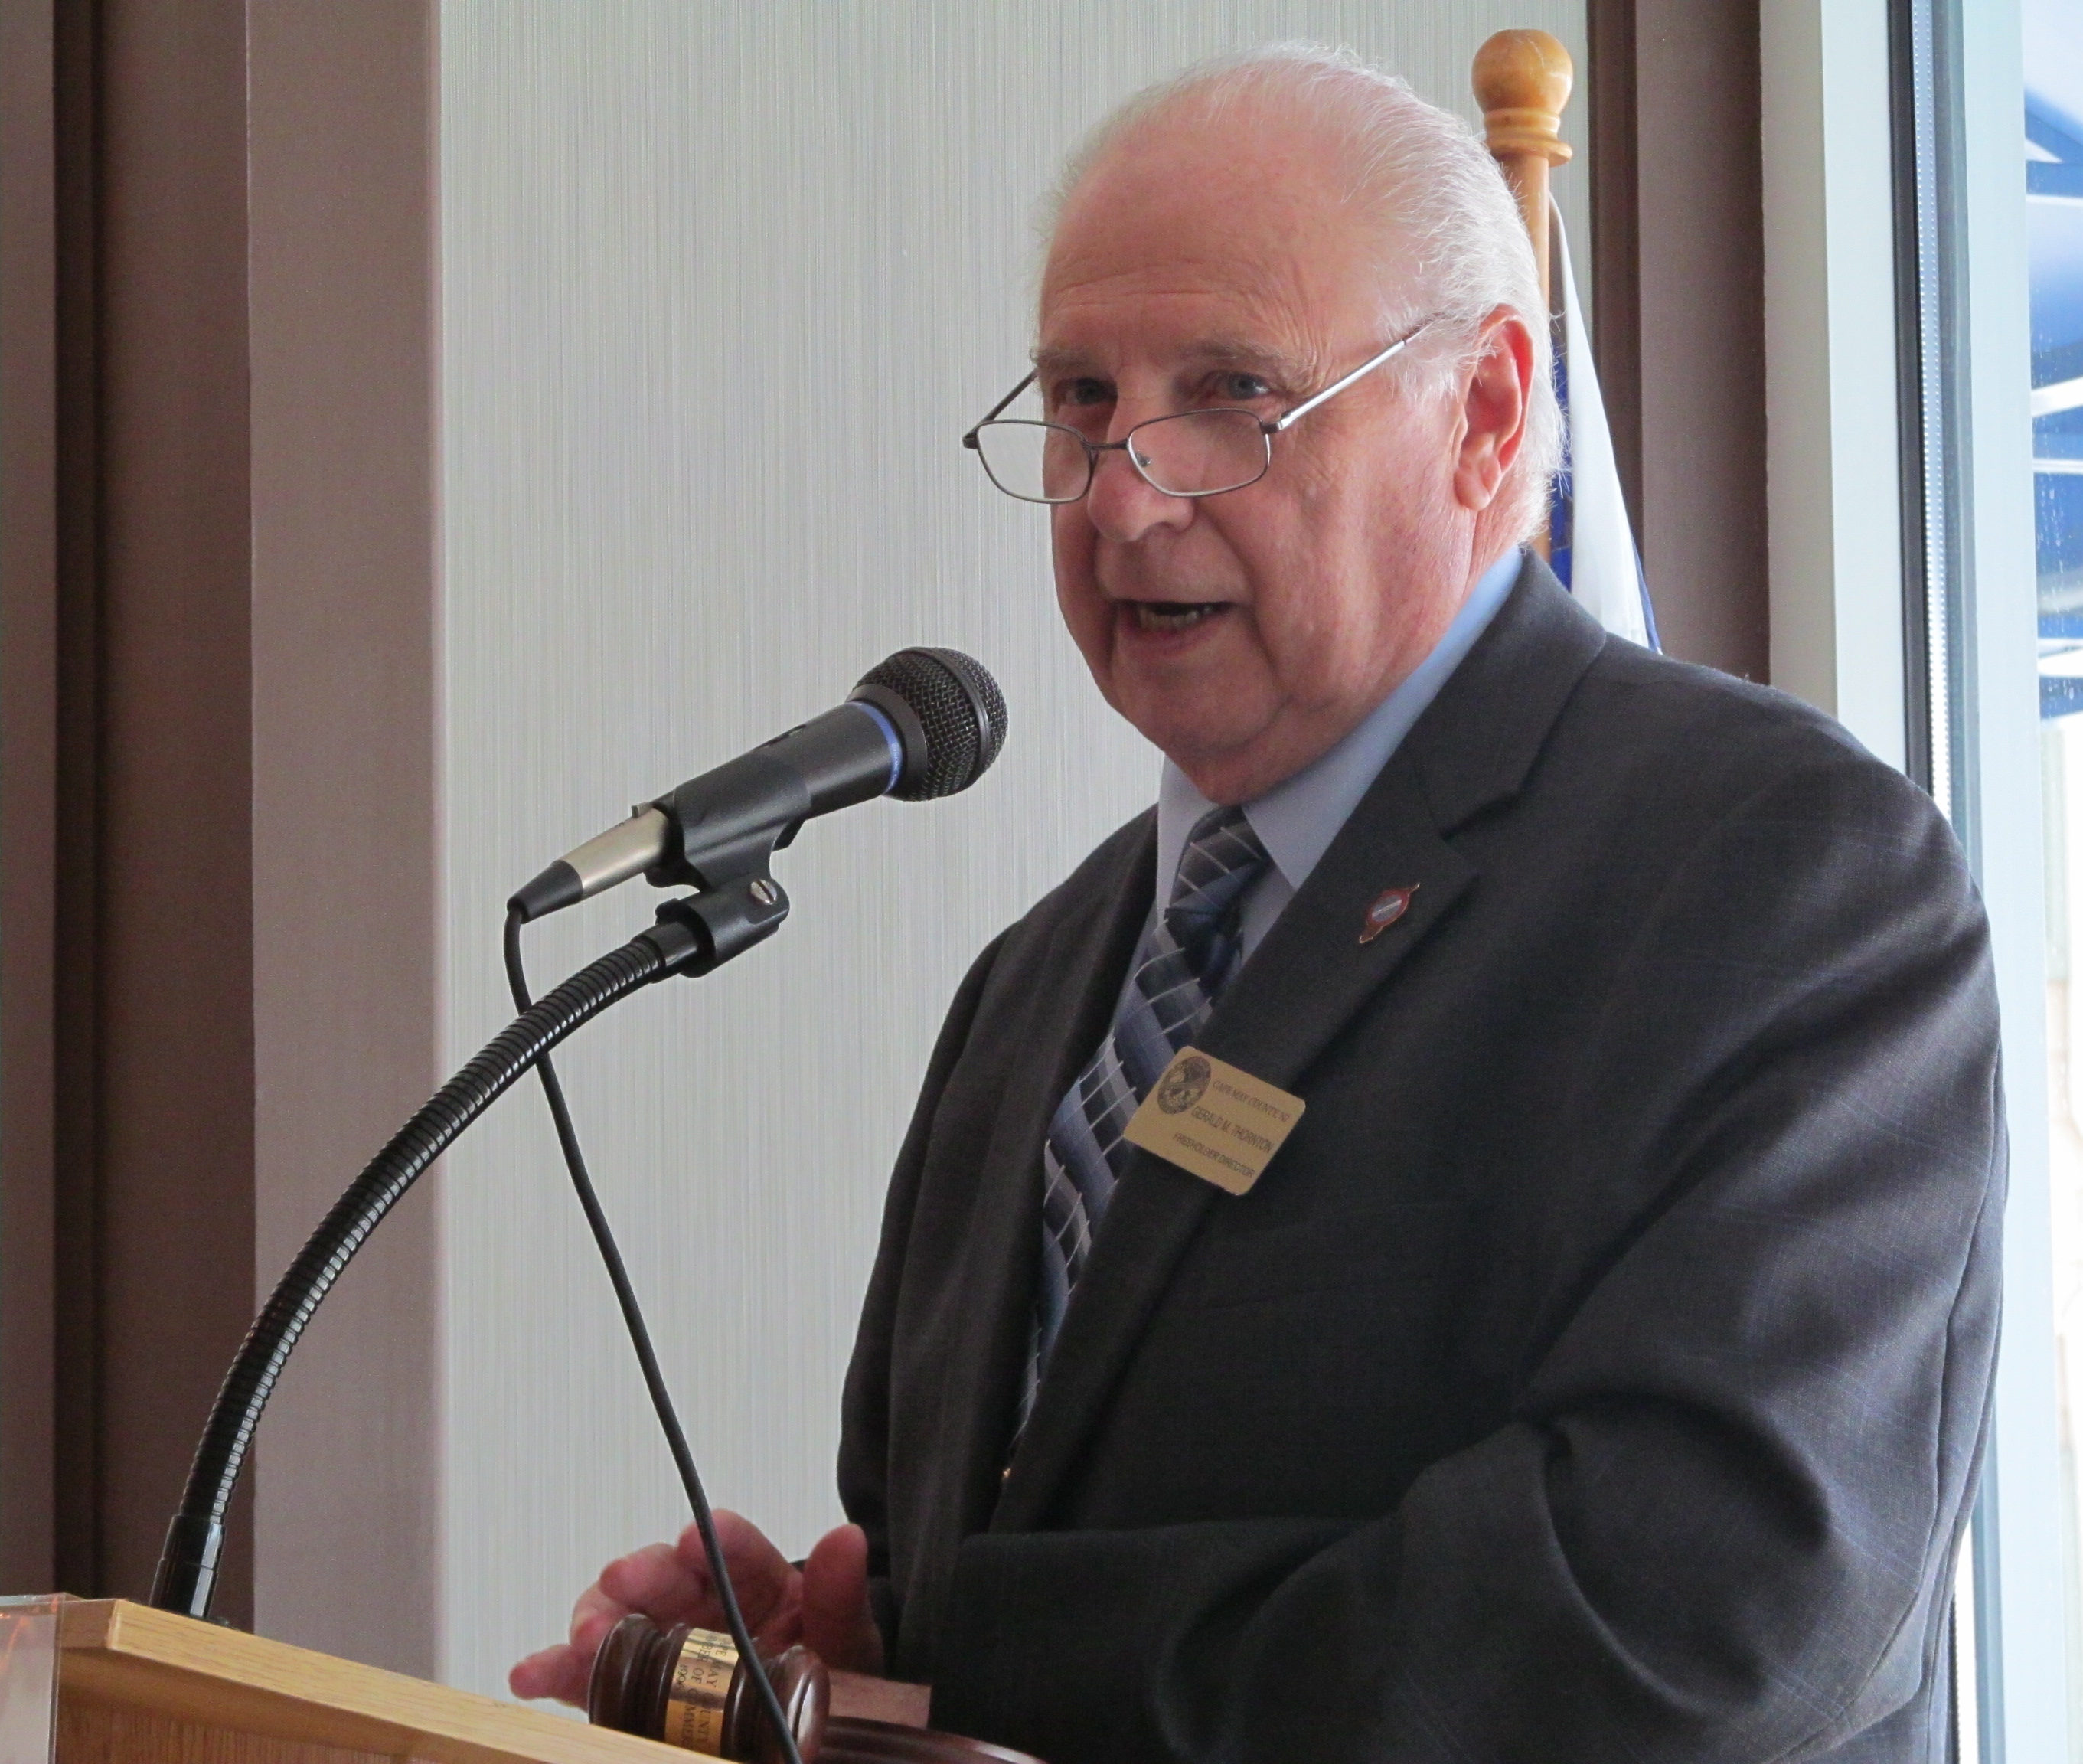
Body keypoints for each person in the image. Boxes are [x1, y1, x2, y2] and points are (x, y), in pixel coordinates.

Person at [512, 44, 2002, 1764]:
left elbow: (1686, 1625)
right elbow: (974, 1567)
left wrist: (981, 1680)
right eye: (1081, 399)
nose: (1127, 496)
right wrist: (830, 1671)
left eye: (1229, 392)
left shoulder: (1780, 877)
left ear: (1491, 415)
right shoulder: (1036, 987)